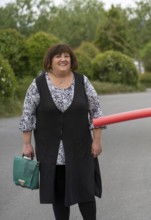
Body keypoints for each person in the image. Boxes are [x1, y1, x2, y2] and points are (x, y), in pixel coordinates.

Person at [19, 43, 105, 220]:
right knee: (58, 195)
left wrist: (97, 140)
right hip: (51, 151)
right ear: (50, 61)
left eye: (66, 56)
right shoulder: (38, 84)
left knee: (86, 192)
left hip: (81, 148)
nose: (63, 59)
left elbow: (96, 112)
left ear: (72, 60)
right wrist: (27, 144)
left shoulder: (83, 81)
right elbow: (27, 114)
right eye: (58, 56)